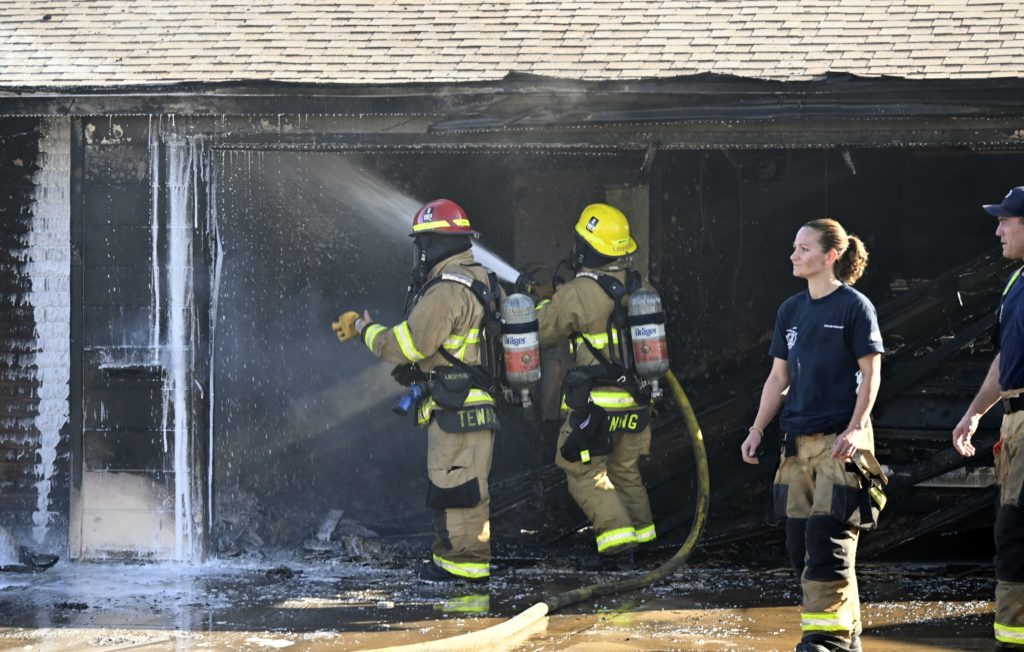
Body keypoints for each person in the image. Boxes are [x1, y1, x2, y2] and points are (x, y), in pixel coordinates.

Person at [333, 198, 499, 584]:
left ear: (431, 245)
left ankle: (465, 568)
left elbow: (405, 346)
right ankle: (454, 561)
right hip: (469, 404)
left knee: (458, 489)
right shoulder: (483, 279)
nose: (418, 254)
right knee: (459, 486)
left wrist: (363, 329)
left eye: (421, 245)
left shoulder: (446, 291)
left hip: (457, 408)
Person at [740, 218, 884, 652]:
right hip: (797, 446)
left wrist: (855, 428)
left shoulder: (855, 307)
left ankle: (825, 640)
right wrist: (757, 428)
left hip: (841, 444)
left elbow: (871, 373)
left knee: (829, 543)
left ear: (830, 256)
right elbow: (778, 378)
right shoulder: (791, 310)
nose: (794, 255)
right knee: (800, 545)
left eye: (804, 249)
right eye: (794, 247)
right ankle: (849, 634)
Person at [531, 203, 656, 570]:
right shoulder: (641, 286)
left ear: (585, 248)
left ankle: (619, 546)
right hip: (637, 402)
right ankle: (644, 540)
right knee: (625, 470)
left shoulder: (577, 292)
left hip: (596, 407)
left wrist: (538, 300)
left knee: (580, 470)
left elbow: (541, 331)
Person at [951, 186, 1024, 650]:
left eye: (1005, 221)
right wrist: (974, 413)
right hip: (1014, 425)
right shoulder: (1016, 283)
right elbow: (1004, 361)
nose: (998, 231)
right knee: (1012, 533)